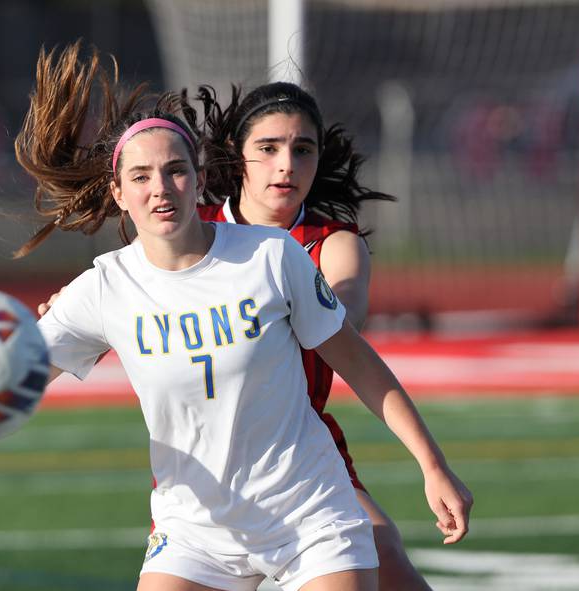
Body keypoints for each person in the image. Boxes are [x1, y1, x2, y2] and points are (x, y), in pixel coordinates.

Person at [0, 43, 472, 591]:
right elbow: (18, 369)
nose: (160, 187)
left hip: (310, 511)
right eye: (140, 177)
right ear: (117, 192)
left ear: (199, 174)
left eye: (174, 171)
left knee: (388, 559)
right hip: (194, 529)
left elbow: (357, 356)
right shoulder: (104, 287)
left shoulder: (274, 256)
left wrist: (433, 465)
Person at [185, 81, 434, 590]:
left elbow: (342, 321)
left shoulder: (332, 243)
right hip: (200, 468)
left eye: (303, 150)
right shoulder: (192, 231)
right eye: (269, 148)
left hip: (300, 453)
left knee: (382, 549)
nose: (287, 165)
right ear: (239, 154)